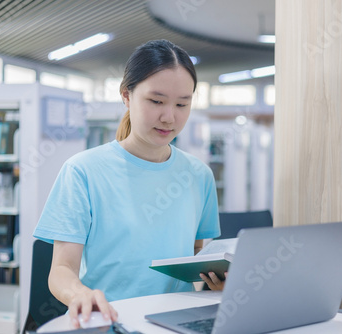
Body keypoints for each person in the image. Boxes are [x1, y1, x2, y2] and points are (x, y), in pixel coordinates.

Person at [33, 39, 225, 328]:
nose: (169, 117)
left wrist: (218, 279)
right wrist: (80, 294)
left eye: (182, 104)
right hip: (110, 321)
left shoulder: (199, 175)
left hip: (178, 322)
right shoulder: (82, 171)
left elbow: (197, 255)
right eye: (156, 101)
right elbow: (61, 269)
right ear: (126, 95)